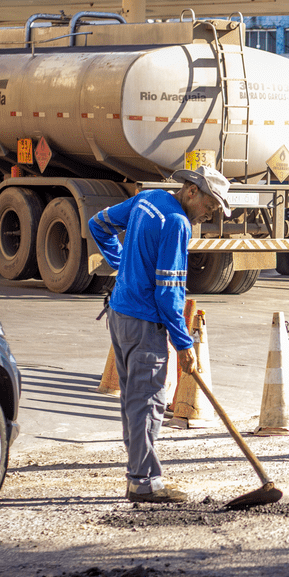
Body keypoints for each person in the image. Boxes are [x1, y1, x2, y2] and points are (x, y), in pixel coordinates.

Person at [88, 166, 232, 503]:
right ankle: (144, 482)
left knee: (134, 403)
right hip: (144, 325)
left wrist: (122, 265)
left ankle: (139, 475)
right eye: (209, 207)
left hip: (121, 316)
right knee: (148, 404)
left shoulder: (147, 199)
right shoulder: (177, 223)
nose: (207, 216)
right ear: (192, 192)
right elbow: (169, 293)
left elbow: (99, 224)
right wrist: (184, 343)